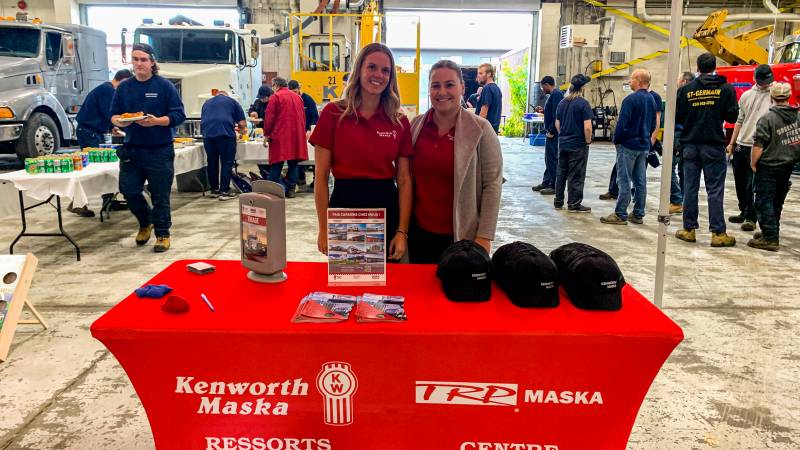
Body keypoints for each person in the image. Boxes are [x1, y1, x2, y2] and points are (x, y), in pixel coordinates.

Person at [310, 42, 413, 261]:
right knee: (348, 283)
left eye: (385, 70)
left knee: (386, 286)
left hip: (386, 208)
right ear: (359, 70)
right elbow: (320, 178)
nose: (379, 75)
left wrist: (402, 231)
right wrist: (323, 227)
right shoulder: (333, 114)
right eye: (372, 67)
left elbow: (404, 180)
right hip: (345, 204)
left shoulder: (399, 120)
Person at [407, 60, 503, 263]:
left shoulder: (481, 130)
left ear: (462, 88)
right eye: (435, 85)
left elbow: (492, 185)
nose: (442, 92)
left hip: (461, 238)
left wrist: (484, 236)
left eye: (449, 85)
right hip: (418, 234)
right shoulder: (415, 127)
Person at [110, 43, 186, 253]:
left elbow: (179, 115)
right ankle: (145, 222)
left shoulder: (164, 87)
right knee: (129, 190)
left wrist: (158, 121)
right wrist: (121, 122)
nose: (139, 64)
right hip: (132, 148)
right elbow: (114, 114)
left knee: (160, 194)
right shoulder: (125, 88)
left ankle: (162, 233)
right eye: (135, 59)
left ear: (152, 63)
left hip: (159, 149)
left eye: (143, 60)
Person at [674, 52, 738, 247]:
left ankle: (689, 229)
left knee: (690, 188)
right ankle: (718, 233)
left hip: (691, 145)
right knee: (715, 190)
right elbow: (732, 117)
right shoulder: (725, 88)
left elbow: (678, 117)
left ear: (698, 67)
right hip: (713, 144)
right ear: (714, 66)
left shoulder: (685, 90)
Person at [69, 68, 132, 217]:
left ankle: (108, 200)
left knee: (103, 167)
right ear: (122, 80)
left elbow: (106, 115)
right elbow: (110, 113)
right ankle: (77, 203)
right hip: (89, 132)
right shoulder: (107, 91)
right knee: (93, 169)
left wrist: (112, 128)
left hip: (93, 131)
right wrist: (119, 123)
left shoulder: (107, 89)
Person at [748, 82, 800, 251]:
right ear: (788, 97)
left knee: (764, 201)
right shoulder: (797, 116)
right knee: (777, 200)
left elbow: (759, 145)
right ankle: (771, 231)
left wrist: (753, 163)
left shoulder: (767, 119)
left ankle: (770, 238)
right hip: (788, 165)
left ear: (772, 97)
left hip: (769, 166)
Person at [600, 69, 657, 225]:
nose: (629, 82)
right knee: (640, 181)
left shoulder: (630, 100)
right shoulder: (652, 99)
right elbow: (653, 124)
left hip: (629, 145)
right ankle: (638, 214)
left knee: (624, 180)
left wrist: (616, 140)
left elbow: (622, 124)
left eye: (631, 79)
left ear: (638, 81)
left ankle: (620, 214)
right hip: (643, 146)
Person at [726, 64, 774, 232]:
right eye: (762, 81)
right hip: (742, 144)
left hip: (761, 147)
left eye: (767, 81)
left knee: (753, 184)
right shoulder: (746, 95)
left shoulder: (775, 95)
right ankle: (743, 210)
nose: (765, 84)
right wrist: (732, 143)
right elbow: (739, 121)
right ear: (755, 79)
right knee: (740, 182)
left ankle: (751, 217)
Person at [554, 74, 593, 213]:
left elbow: (557, 124)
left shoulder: (562, 103)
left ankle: (558, 202)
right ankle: (574, 204)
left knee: (561, 172)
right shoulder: (583, 104)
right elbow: (587, 127)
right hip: (578, 144)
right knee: (576, 174)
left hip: (563, 143)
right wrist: (588, 140)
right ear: (582, 88)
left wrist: (564, 135)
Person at [263, 77, 308, 198]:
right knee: (293, 163)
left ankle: (272, 191)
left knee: (277, 163)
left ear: (276, 85)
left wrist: (267, 134)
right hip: (297, 135)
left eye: (273, 86)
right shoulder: (298, 97)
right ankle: (291, 189)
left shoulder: (276, 97)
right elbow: (303, 117)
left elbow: (269, 118)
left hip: (281, 135)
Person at [200, 90, 246, 200]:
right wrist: (241, 131)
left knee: (212, 161)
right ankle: (224, 191)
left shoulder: (206, 102)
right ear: (227, 95)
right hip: (224, 134)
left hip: (207, 135)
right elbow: (242, 123)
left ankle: (214, 189)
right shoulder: (232, 102)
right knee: (226, 161)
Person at [668, 71, 696, 214]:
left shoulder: (681, 95)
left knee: (669, 167)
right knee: (684, 170)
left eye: (678, 79)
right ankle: (683, 200)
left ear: (684, 82)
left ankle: (676, 200)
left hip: (679, 135)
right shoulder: (695, 96)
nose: (677, 82)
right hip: (690, 137)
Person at [532, 76, 563, 195]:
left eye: (542, 86)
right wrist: (543, 110)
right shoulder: (553, 95)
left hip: (553, 134)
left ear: (546, 84)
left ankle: (553, 185)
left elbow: (557, 115)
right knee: (548, 159)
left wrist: (552, 131)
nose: (541, 89)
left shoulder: (556, 94)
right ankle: (547, 181)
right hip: (551, 132)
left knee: (553, 159)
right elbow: (551, 111)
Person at [475, 63, 502, 133]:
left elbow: (484, 111)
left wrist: (477, 129)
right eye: (478, 73)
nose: (478, 76)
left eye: (481, 73)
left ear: (489, 74)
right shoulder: (497, 88)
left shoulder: (487, 88)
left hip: (485, 129)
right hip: (493, 129)